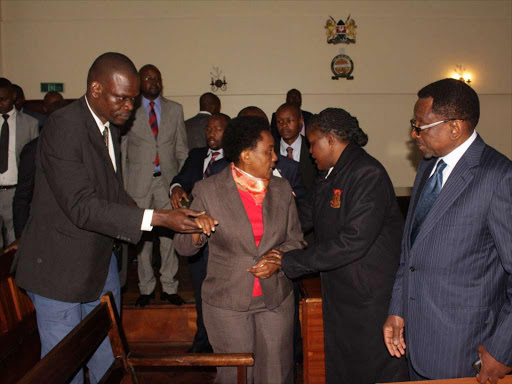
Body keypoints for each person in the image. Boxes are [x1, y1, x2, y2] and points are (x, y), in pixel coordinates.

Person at [13, 52, 204, 384]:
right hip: (59, 269)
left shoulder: (109, 127)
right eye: (123, 97)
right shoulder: (64, 126)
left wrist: (170, 213)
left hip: (99, 264)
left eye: (133, 98)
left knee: (109, 357)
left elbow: (113, 193)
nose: (130, 106)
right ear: (96, 88)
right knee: (65, 366)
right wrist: (158, 219)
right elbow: (81, 206)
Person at [383, 78, 512, 383]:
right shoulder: (429, 167)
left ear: (454, 127)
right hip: (417, 341)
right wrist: (397, 309)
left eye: (421, 125)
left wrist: (502, 351)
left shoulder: (498, 177)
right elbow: (410, 251)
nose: (414, 133)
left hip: (467, 350)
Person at [281, 108, 409, 384]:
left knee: (371, 369)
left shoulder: (367, 173)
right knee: (344, 368)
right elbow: (304, 217)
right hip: (343, 293)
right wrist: (263, 234)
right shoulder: (330, 175)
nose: (310, 151)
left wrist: (290, 261)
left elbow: (352, 242)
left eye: (313, 143)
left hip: (368, 298)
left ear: (330, 140)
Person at [175, 116, 305, 383]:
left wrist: (279, 258)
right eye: (268, 151)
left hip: (275, 301)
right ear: (246, 155)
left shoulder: (281, 189)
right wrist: (198, 230)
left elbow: (296, 239)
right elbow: (182, 247)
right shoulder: (209, 190)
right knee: (235, 377)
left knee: (276, 376)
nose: (275, 158)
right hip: (227, 303)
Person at [122, 64, 189, 307]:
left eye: (157, 77)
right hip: (138, 184)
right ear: (139, 82)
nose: (153, 81)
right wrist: (122, 186)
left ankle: (170, 287)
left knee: (169, 236)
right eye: (148, 78)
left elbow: (182, 149)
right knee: (142, 239)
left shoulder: (175, 110)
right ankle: (146, 288)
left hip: (168, 183)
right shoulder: (129, 108)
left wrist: (182, 182)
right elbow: (123, 150)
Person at [170, 112, 230, 353]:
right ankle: (203, 342)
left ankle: (224, 345)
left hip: (222, 239)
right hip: (195, 236)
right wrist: (175, 189)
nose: (211, 133)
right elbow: (180, 178)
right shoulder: (196, 155)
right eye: (208, 129)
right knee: (200, 291)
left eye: (217, 129)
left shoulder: (236, 160)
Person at [12, 96, 67, 240]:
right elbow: (22, 198)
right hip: (42, 227)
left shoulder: (78, 147)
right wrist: (22, 238)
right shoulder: (34, 150)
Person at [0, 78, 39, 248]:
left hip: (15, 193)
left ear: (13, 96)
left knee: (13, 242)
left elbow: (33, 163)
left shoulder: (30, 124)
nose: (0, 104)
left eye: (4, 99)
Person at [275, 102, 318, 193]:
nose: (284, 125)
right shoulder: (270, 150)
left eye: (289, 121)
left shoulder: (313, 147)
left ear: (301, 122)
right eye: (280, 121)